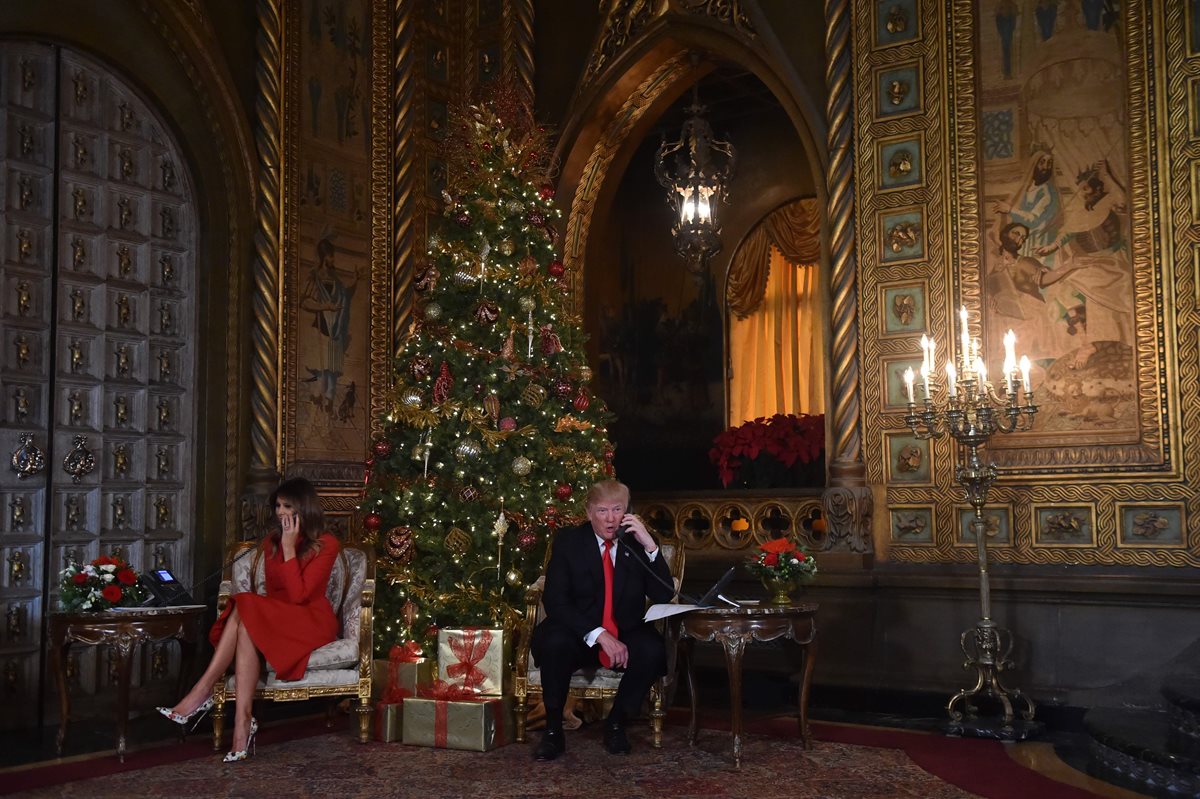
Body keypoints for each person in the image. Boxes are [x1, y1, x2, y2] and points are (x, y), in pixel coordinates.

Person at [157, 478, 340, 762]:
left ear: (304, 508)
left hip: (311, 622)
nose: (281, 512)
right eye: (277, 506)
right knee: (245, 621)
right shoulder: (272, 542)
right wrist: (282, 546)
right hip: (279, 616)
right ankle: (242, 724)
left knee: (244, 606)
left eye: (287, 506)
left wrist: (290, 549)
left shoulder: (326, 544)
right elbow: (278, 596)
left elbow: (298, 597)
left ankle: (203, 691)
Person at [529, 479, 675, 761]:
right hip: (578, 630)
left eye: (618, 510)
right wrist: (598, 634)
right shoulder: (569, 543)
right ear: (588, 512)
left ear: (628, 513)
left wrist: (650, 546)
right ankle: (552, 732)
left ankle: (617, 723)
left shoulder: (635, 544)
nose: (611, 519)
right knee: (553, 641)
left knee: (652, 649)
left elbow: (664, 593)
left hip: (625, 628)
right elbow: (556, 602)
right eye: (602, 511)